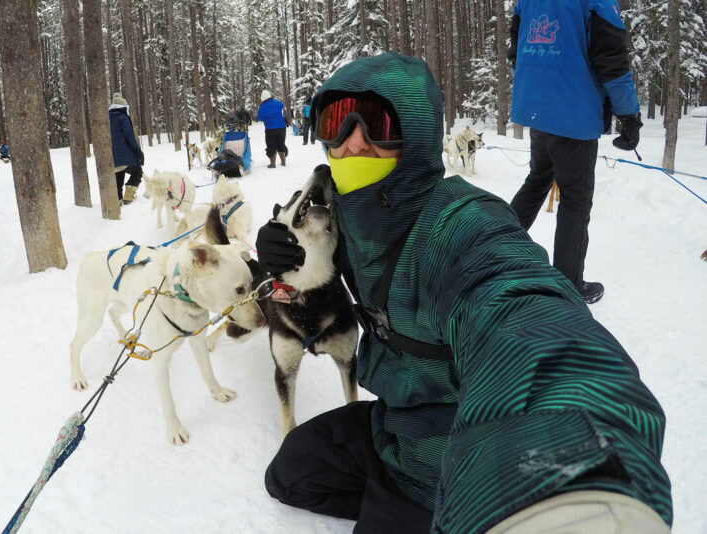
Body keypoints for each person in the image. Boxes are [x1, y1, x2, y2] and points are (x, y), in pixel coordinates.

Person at [255, 52, 671, 533]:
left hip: (460, 450)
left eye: (375, 123)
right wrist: (284, 244)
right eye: (335, 121)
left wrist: (573, 480)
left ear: (417, 133)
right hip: (397, 423)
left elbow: (528, 319)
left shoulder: (461, 224)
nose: (353, 142)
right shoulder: (344, 212)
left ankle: (437, 509)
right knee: (289, 475)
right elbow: (318, 229)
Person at [507, 0, 643, 304]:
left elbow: (516, 51)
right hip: (572, 113)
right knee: (575, 199)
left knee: (538, 178)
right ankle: (569, 285)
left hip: (537, 108)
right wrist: (630, 116)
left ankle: (496, 250)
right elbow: (612, 61)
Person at [108, 92, 144, 204]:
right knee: (137, 171)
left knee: (118, 175)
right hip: (124, 156)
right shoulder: (123, 117)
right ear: (123, 107)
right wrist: (138, 153)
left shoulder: (106, 119)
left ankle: (117, 201)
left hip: (111, 158)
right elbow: (130, 137)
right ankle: (128, 196)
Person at [256, 89, 288, 168]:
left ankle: (273, 164)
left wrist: (267, 119)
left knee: (271, 145)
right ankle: (283, 162)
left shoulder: (262, 107)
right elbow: (284, 113)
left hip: (270, 128)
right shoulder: (279, 103)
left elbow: (259, 117)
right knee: (281, 143)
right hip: (282, 128)